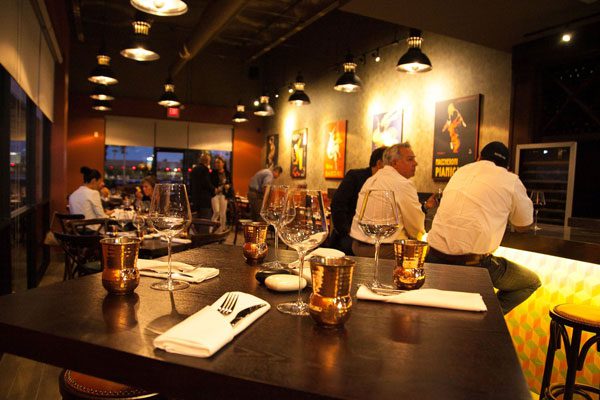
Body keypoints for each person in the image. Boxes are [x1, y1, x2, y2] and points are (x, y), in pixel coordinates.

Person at [426, 141, 541, 314]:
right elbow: (523, 225)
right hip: (473, 264)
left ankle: (483, 317)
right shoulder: (510, 179)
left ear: (479, 157)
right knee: (531, 281)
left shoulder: (461, 171)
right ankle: (490, 318)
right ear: (507, 167)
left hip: (432, 258)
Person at [349, 143, 437, 259]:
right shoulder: (402, 183)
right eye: (410, 159)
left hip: (357, 247)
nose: (415, 163)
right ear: (395, 163)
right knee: (432, 250)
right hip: (386, 250)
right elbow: (415, 227)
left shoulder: (370, 180)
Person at [329, 146, 387, 255]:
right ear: (379, 163)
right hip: (347, 239)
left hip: (371, 239)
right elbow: (337, 205)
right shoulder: (355, 177)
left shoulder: (386, 184)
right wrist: (347, 232)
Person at [189, 153, 216, 223]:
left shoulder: (194, 170)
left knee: (196, 222)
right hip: (204, 201)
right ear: (207, 161)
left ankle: (197, 234)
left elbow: (191, 185)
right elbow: (207, 184)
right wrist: (214, 189)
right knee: (205, 223)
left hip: (195, 200)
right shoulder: (205, 170)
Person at [210, 156, 234, 232]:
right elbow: (210, 183)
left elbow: (230, 183)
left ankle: (222, 230)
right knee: (216, 212)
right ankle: (212, 229)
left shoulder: (227, 173)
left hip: (224, 194)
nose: (216, 164)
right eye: (216, 162)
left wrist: (228, 186)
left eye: (218, 162)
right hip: (215, 195)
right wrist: (215, 188)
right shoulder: (213, 173)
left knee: (223, 213)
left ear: (223, 163)